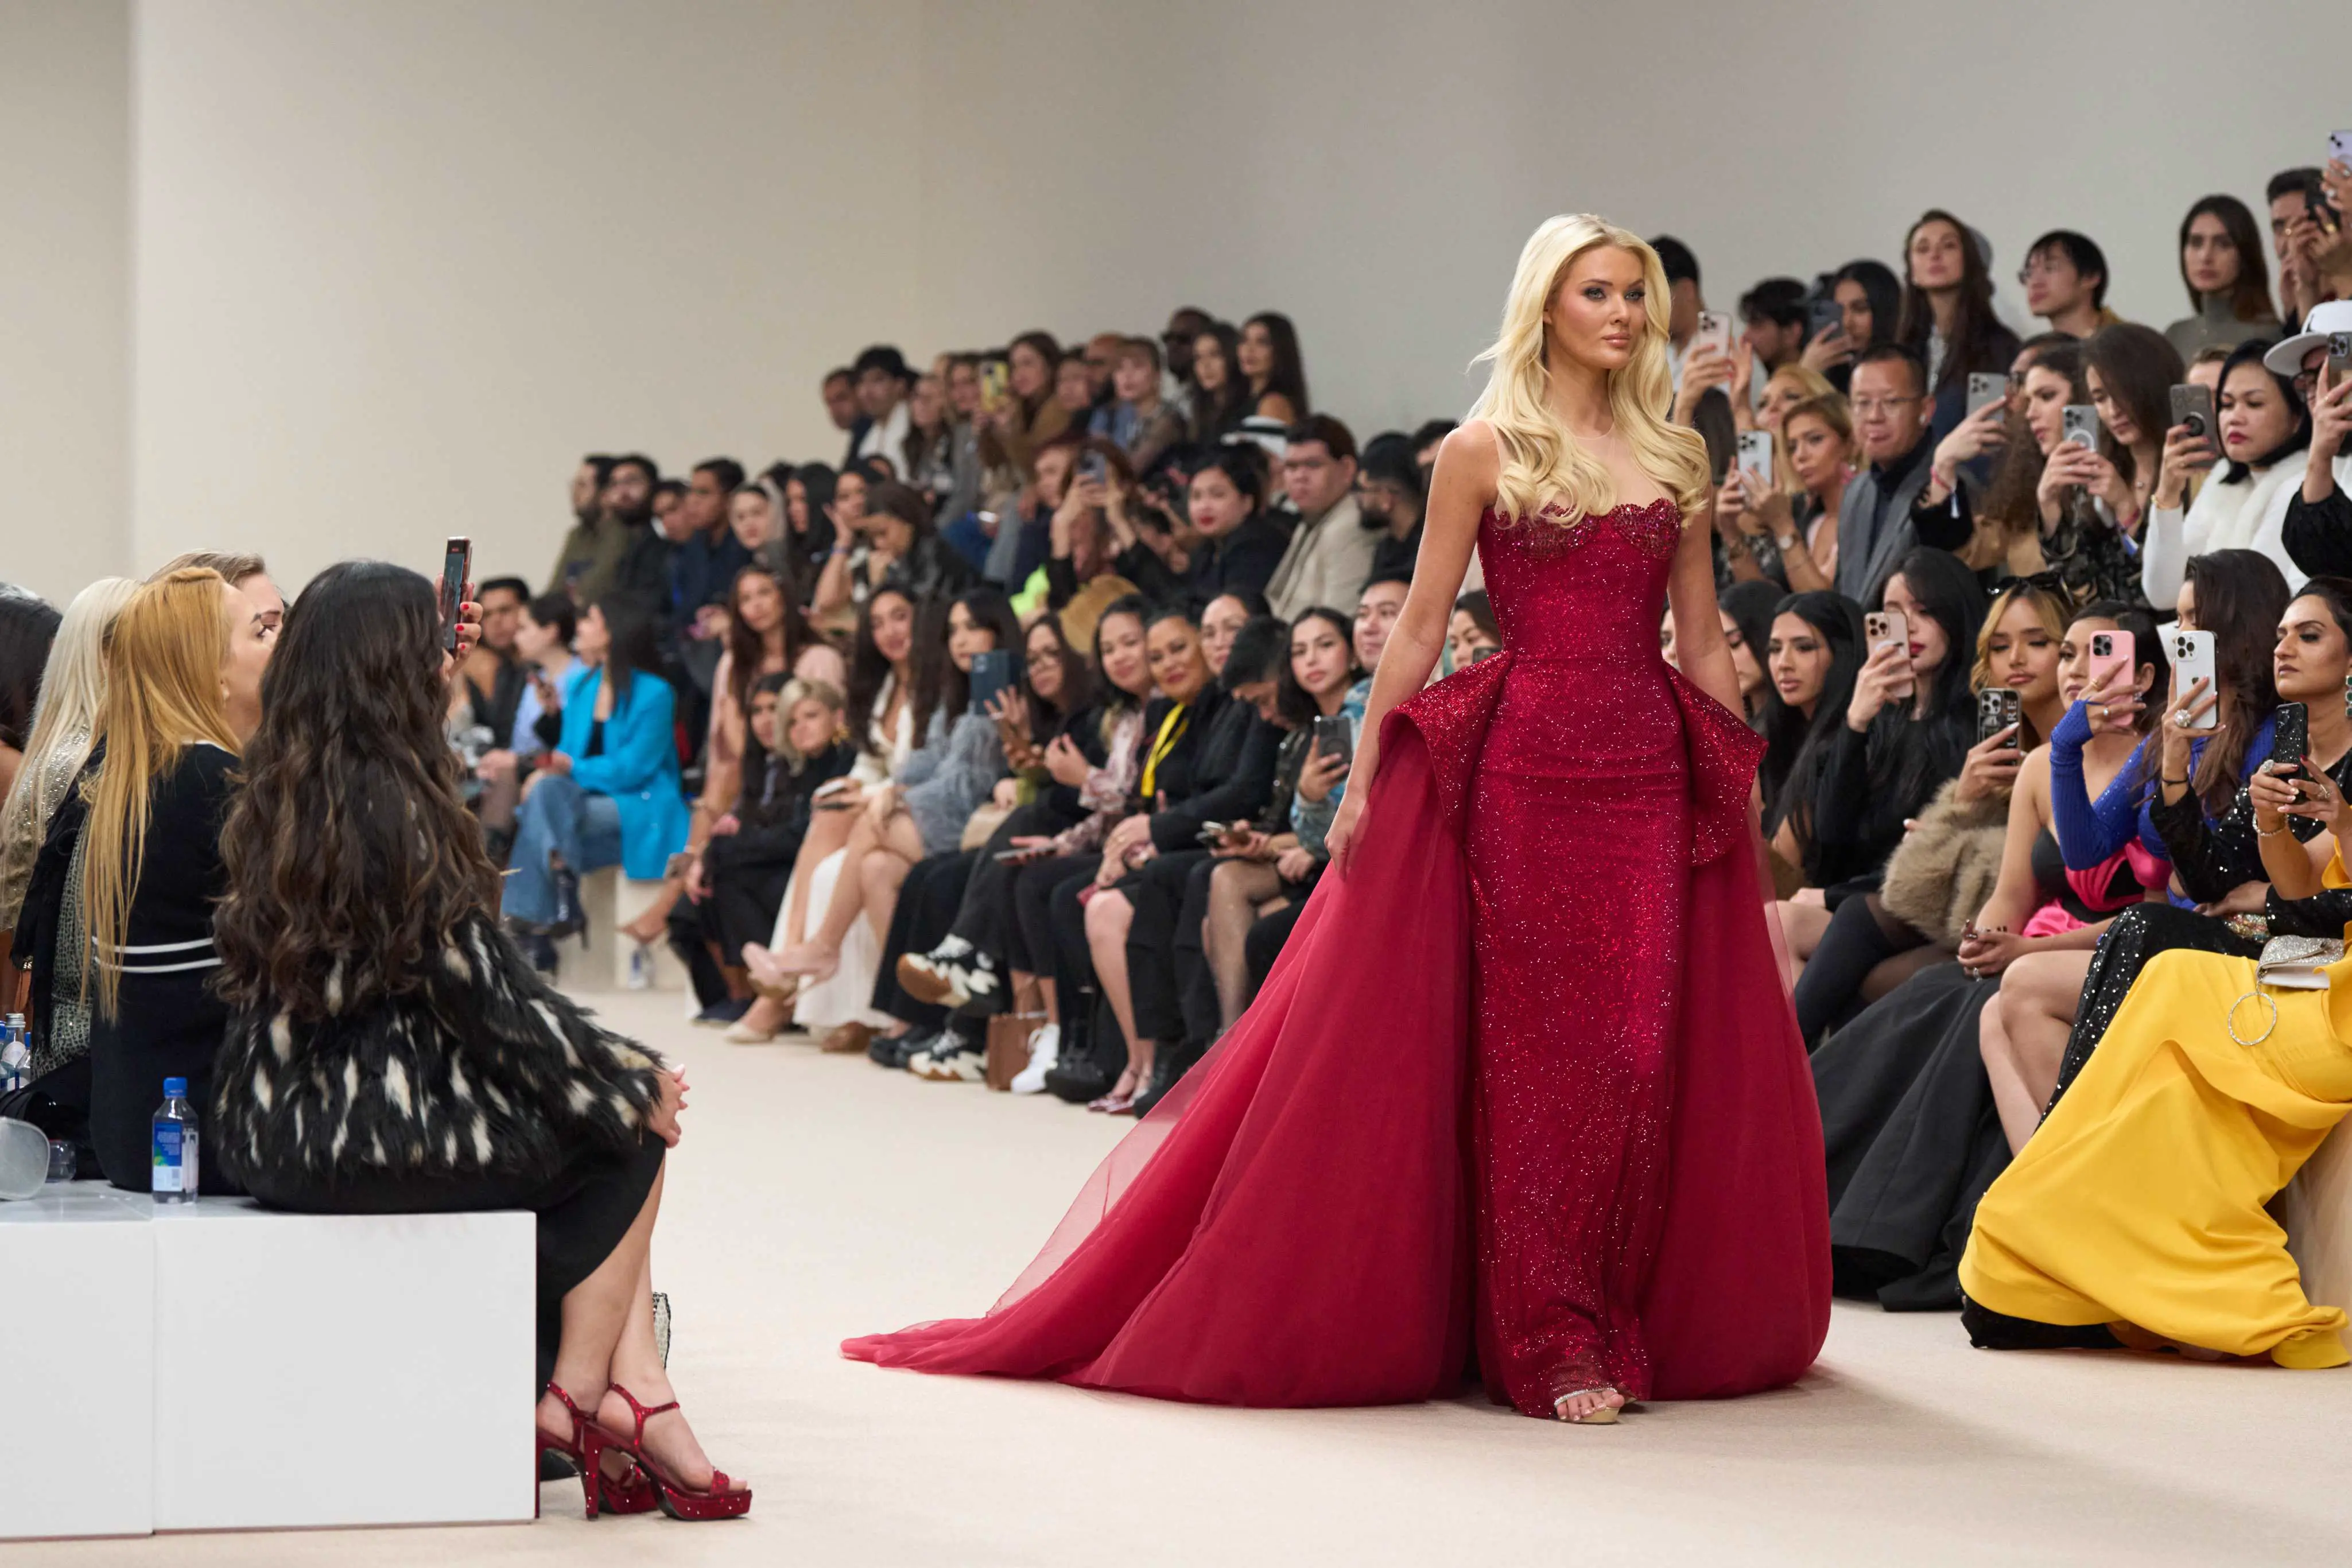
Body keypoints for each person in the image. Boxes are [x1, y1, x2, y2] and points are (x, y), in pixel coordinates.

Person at [844, 214, 1830, 1425]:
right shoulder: (1481, 450)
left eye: (1636, 294)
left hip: (1641, 764)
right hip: (1523, 771)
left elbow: (1698, 632)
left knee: (1634, 1051)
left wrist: (1734, 782)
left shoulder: (1676, 454)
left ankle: (1611, 1302)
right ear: (1548, 307)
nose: (1625, 314)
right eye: (1597, 293)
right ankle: (1549, 1333)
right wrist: (1366, 779)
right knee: (1534, 1054)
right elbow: (1418, 626)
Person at [201, 561, 746, 1520]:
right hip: (346, 1129)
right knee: (630, 1129)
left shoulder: (281, 781)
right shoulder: (395, 807)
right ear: (395, 669)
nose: (453, 664)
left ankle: (633, 1396)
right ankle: (585, 1399)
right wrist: (625, 1080)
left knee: (615, 1098)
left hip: (271, 1115)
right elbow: (487, 998)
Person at [1812, 600, 2168, 1310]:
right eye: (2067, 655)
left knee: (1971, 1002)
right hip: (2030, 943)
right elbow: (2011, 890)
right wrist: (1983, 935)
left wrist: (2020, 951)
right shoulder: (2043, 765)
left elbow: (2158, 914)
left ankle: (1897, 1233)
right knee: (1936, 990)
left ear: (2145, 672)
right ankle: (1815, 1205)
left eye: (2096, 654)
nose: (2075, 671)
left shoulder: (2167, 759)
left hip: (2115, 952)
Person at [51, 569, 270, 1188]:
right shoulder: (216, 785)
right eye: (263, 631)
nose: (283, 646)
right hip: (211, 1137)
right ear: (213, 670)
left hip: (138, 1129)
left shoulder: (140, 775)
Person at [501, 599, 690, 971]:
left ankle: (532, 923)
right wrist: (554, 764)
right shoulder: (585, 685)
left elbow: (635, 768)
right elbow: (568, 754)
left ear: (612, 633)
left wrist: (570, 767)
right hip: (582, 805)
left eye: (589, 620)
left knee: (545, 801)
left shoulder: (655, 692)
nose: (580, 628)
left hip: (640, 803)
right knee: (546, 791)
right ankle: (560, 892)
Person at [673, 676, 854, 1023]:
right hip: (793, 861)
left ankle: (763, 993)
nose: (799, 728)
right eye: (793, 721)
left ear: (838, 717)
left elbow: (798, 835)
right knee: (711, 882)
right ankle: (751, 992)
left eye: (811, 716)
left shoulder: (843, 761)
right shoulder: (799, 764)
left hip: (821, 862)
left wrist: (728, 848)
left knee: (726, 870)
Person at [2141, 338, 2313, 604]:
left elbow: (2250, 607)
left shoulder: (2301, 484)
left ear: (2297, 417)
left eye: (2254, 404)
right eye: (2227, 404)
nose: (2235, 417)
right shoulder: (2223, 480)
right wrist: (2168, 493)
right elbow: (2163, 594)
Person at [1759, 591, 1865, 892]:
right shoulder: (1777, 735)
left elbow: (1778, 871)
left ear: (1842, 655)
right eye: (1774, 649)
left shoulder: (1843, 742)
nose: (1784, 664)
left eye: (1804, 648)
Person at [1896, 209, 2023, 444]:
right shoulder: (1904, 347)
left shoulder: (1997, 346)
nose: (1935, 255)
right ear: (1912, 272)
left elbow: (1988, 441)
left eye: (1948, 246)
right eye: (1923, 249)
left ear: (1970, 260)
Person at [1834, 345, 1938, 600]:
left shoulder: (1948, 491)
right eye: (1862, 403)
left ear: (1925, 409)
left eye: (1891, 402)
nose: (1874, 416)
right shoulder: (1855, 491)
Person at [1263, 416, 1374, 622]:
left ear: (1348, 469)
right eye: (1291, 467)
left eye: (1312, 465)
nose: (1299, 477)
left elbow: (1340, 619)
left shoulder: (1349, 526)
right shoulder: (1314, 516)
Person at [2277, 302, 2352, 579]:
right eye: (2309, 381)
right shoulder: (2318, 467)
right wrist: (2320, 457)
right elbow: (2318, 563)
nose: (2319, 393)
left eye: (2332, 373)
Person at [2163, 195, 2281, 360]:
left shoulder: (2265, 335)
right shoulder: (2175, 335)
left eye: (2223, 244)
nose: (2205, 256)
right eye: (2196, 243)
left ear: (2245, 254)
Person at [1181, 445, 1287, 604]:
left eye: (1218, 495)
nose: (1204, 506)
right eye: (1196, 497)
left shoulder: (1258, 546)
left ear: (1247, 502)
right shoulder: (1207, 549)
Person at [1089, 338, 1184, 474]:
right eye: (1120, 368)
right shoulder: (1107, 415)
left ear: (1157, 375)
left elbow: (1133, 469)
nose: (1127, 376)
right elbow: (1092, 469)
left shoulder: (1169, 419)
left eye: (1138, 366)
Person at [2020, 230, 2118, 340]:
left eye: (2050, 268)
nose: (2035, 283)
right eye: (2029, 273)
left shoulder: (2123, 345)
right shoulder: (2040, 350)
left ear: (2090, 277)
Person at [1360, 436, 1429, 587]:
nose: (1360, 499)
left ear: (1387, 498)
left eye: (1365, 490)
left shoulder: (1428, 550)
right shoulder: (1386, 547)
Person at [1183, 322, 1249, 445]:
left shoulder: (1248, 408)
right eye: (1198, 358)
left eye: (1215, 355)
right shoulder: (1200, 412)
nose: (1205, 365)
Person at [1237, 312, 1309, 424]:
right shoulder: (1243, 400)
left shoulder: (1273, 403)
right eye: (1244, 340)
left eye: (1262, 342)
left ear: (1280, 350)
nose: (1249, 349)